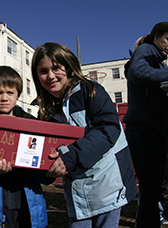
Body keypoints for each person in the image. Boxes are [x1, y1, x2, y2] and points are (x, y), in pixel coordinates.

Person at [31, 42, 137, 228]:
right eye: (43, 71)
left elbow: (108, 129)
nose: (50, 76)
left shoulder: (90, 91)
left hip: (108, 185)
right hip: (78, 192)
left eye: (56, 68)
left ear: (69, 66)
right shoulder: (45, 110)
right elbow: (46, 149)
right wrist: (45, 171)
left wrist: (70, 157)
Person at [0, 66, 54, 228]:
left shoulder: (33, 126)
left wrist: (48, 174)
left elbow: (41, 167)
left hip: (25, 199)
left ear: (18, 95)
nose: (4, 98)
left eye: (10, 93)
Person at [123, 22, 168, 227]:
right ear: (156, 35)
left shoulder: (158, 63)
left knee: (154, 188)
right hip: (143, 128)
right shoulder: (146, 50)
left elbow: (160, 104)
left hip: (154, 127)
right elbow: (138, 73)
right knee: (151, 187)